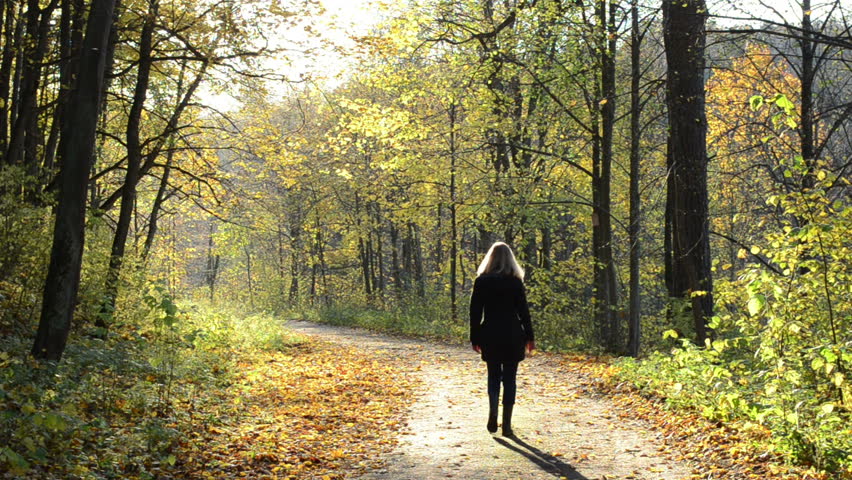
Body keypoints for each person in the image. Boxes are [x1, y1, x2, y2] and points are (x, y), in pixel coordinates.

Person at [469, 242, 535, 437]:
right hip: (513, 334)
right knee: (510, 379)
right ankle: (506, 424)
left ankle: (492, 414)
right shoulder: (515, 282)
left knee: (493, 376)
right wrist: (530, 337)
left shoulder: (482, 281)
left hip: (490, 332)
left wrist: (475, 337)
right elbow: (524, 312)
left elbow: (475, 312)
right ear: (510, 259)